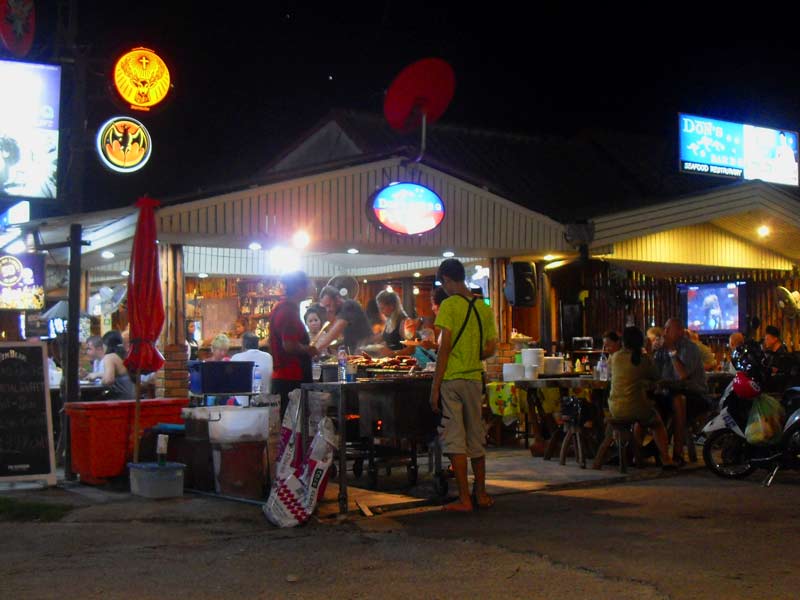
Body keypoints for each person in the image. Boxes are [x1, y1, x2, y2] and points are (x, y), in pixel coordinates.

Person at [430, 258, 497, 512]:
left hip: (452, 381)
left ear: (447, 279)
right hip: (474, 379)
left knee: (455, 439)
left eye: (442, 282)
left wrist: (434, 388)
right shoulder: (483, 307)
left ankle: (464, 499)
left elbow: (443, 348)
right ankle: (481, 494)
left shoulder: (448, 306)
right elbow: (490, 348)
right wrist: (472, 356)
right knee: (476, 436)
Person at [607, 327, 674, 469]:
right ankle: (666, 459)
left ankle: (634, 455)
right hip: (635, 407)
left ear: (623, 342)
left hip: (614, 407)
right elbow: (656, 377)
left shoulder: (615, 357)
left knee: (641, 418)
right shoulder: (643, 360)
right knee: (656, 422)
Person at [652, 317, 708, 466]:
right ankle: (642, 451)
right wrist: (652, 351)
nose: (665, 333)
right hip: (669, 392)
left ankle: (678, 453)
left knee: (679, 400)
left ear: (679, 332)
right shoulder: (661, 350)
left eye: (668, 329)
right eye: (665, 329)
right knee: (649, 402)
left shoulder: (690, 348)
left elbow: (683, 376)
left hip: (694, 394)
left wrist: (671, 350)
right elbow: (655, 374)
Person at [270, 271, 318, 418]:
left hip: (287, 377)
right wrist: (308, 349)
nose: (310, 287)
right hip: (290, 379)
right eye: (307, 284)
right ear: (299, 288)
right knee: (293, 426)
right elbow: (289, 345)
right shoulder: (288, 311)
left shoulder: (285, 308)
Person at [314, 284, 373, 355]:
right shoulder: (341, 311)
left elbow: (335, 331)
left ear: (337, 299)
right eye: (326, 307)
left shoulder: (349, 305)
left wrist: (316, 349)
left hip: (365, 353)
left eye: (329, 305)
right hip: (358, 353)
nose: (328, 309)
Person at [230, 332, 273, 406]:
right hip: (265, 403)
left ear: (243, 345)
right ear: (257, 345)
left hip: (241, 404)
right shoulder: (268, 357)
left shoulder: (236, 357)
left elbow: (230, 383)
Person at [97, 330, 136, 400]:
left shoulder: (110, 357)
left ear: (106, 344)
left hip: (119, 399)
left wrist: (102, 380)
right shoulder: (126, 355)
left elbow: (108, 380)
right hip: (131, 398)